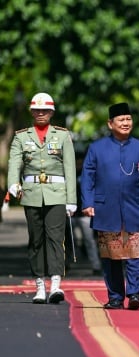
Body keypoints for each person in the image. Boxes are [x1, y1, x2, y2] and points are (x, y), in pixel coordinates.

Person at [80, 102, 139, 310]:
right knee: (111, 257)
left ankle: (134, 294)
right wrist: (87, 203)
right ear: (110, 123)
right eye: (121, 120)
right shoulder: (96, 148)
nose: (126, 123)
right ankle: (115, 297)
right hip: (106, 209)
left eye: (128, 119)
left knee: (137, 254)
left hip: (137, 208)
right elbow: (87, 177)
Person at [7, 92, 76, 304]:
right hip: (31, 193)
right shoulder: (21, 136)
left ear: (51, 112)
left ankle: (55, 284)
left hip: (56, 194)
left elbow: (70, 168)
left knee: (55, 239)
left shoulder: (63, 136)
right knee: (36, 240)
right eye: (37, 110)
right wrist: (12, 183)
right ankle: (39, 285)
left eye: (45, 110)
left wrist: (71, 199)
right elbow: (14, 162)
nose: (40, 113)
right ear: (31, 112)